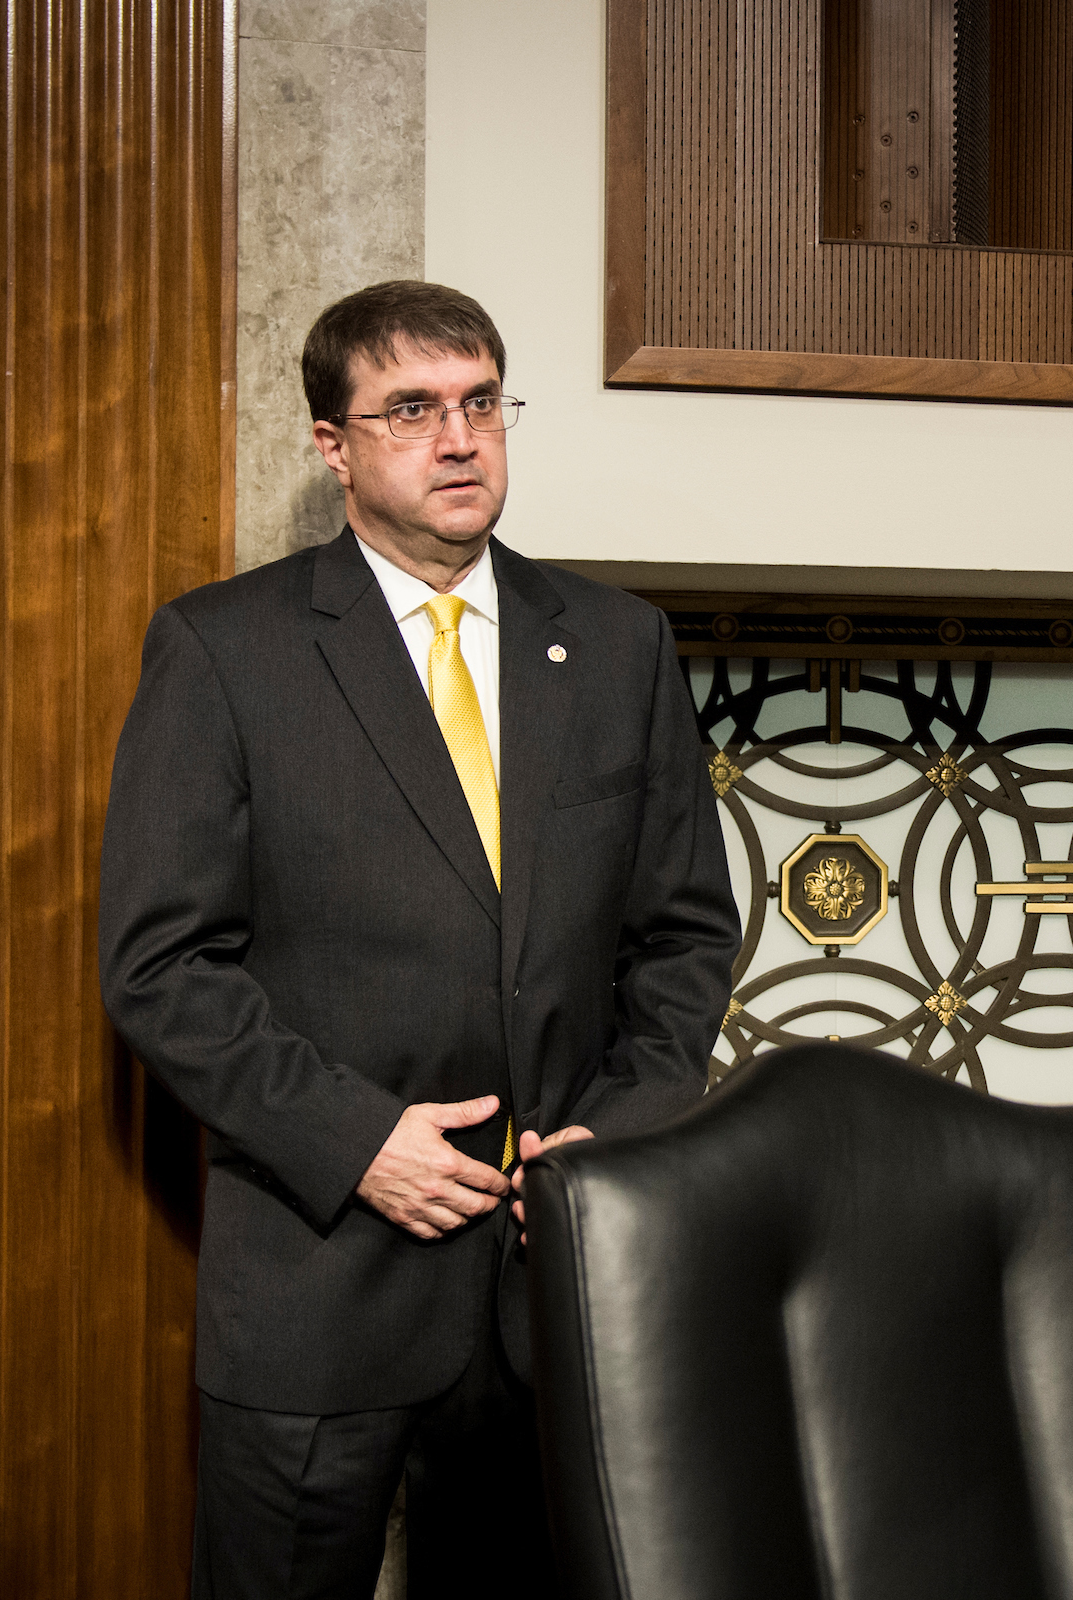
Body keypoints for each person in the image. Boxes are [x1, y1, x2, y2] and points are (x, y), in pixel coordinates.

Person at [98, 280, 739, 1599]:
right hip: (319, 1289)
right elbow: (162, 968)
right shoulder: (225, 649)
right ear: (334, 445)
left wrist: (610, 1141)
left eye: (481, 403)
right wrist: (360, 1144)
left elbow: (683, 939)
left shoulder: (618, 646)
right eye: (412, 411)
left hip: (545, 1285)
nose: (460, 439)